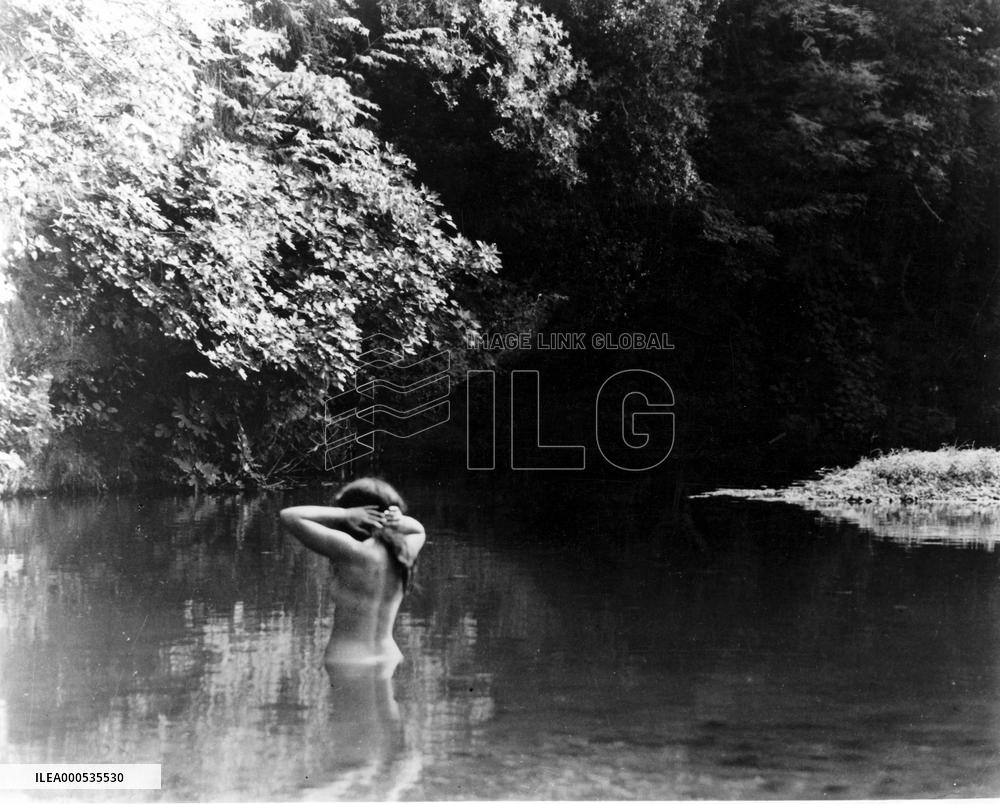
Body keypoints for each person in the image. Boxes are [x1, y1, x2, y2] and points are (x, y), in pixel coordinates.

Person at [280, 478, 426, 674]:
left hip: (348, 660)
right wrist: (396, 520)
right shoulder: (403, 553)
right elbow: (418, 529)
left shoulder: (350, 551)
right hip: (388, 657)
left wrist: (345, 514)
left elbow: (290, 516)